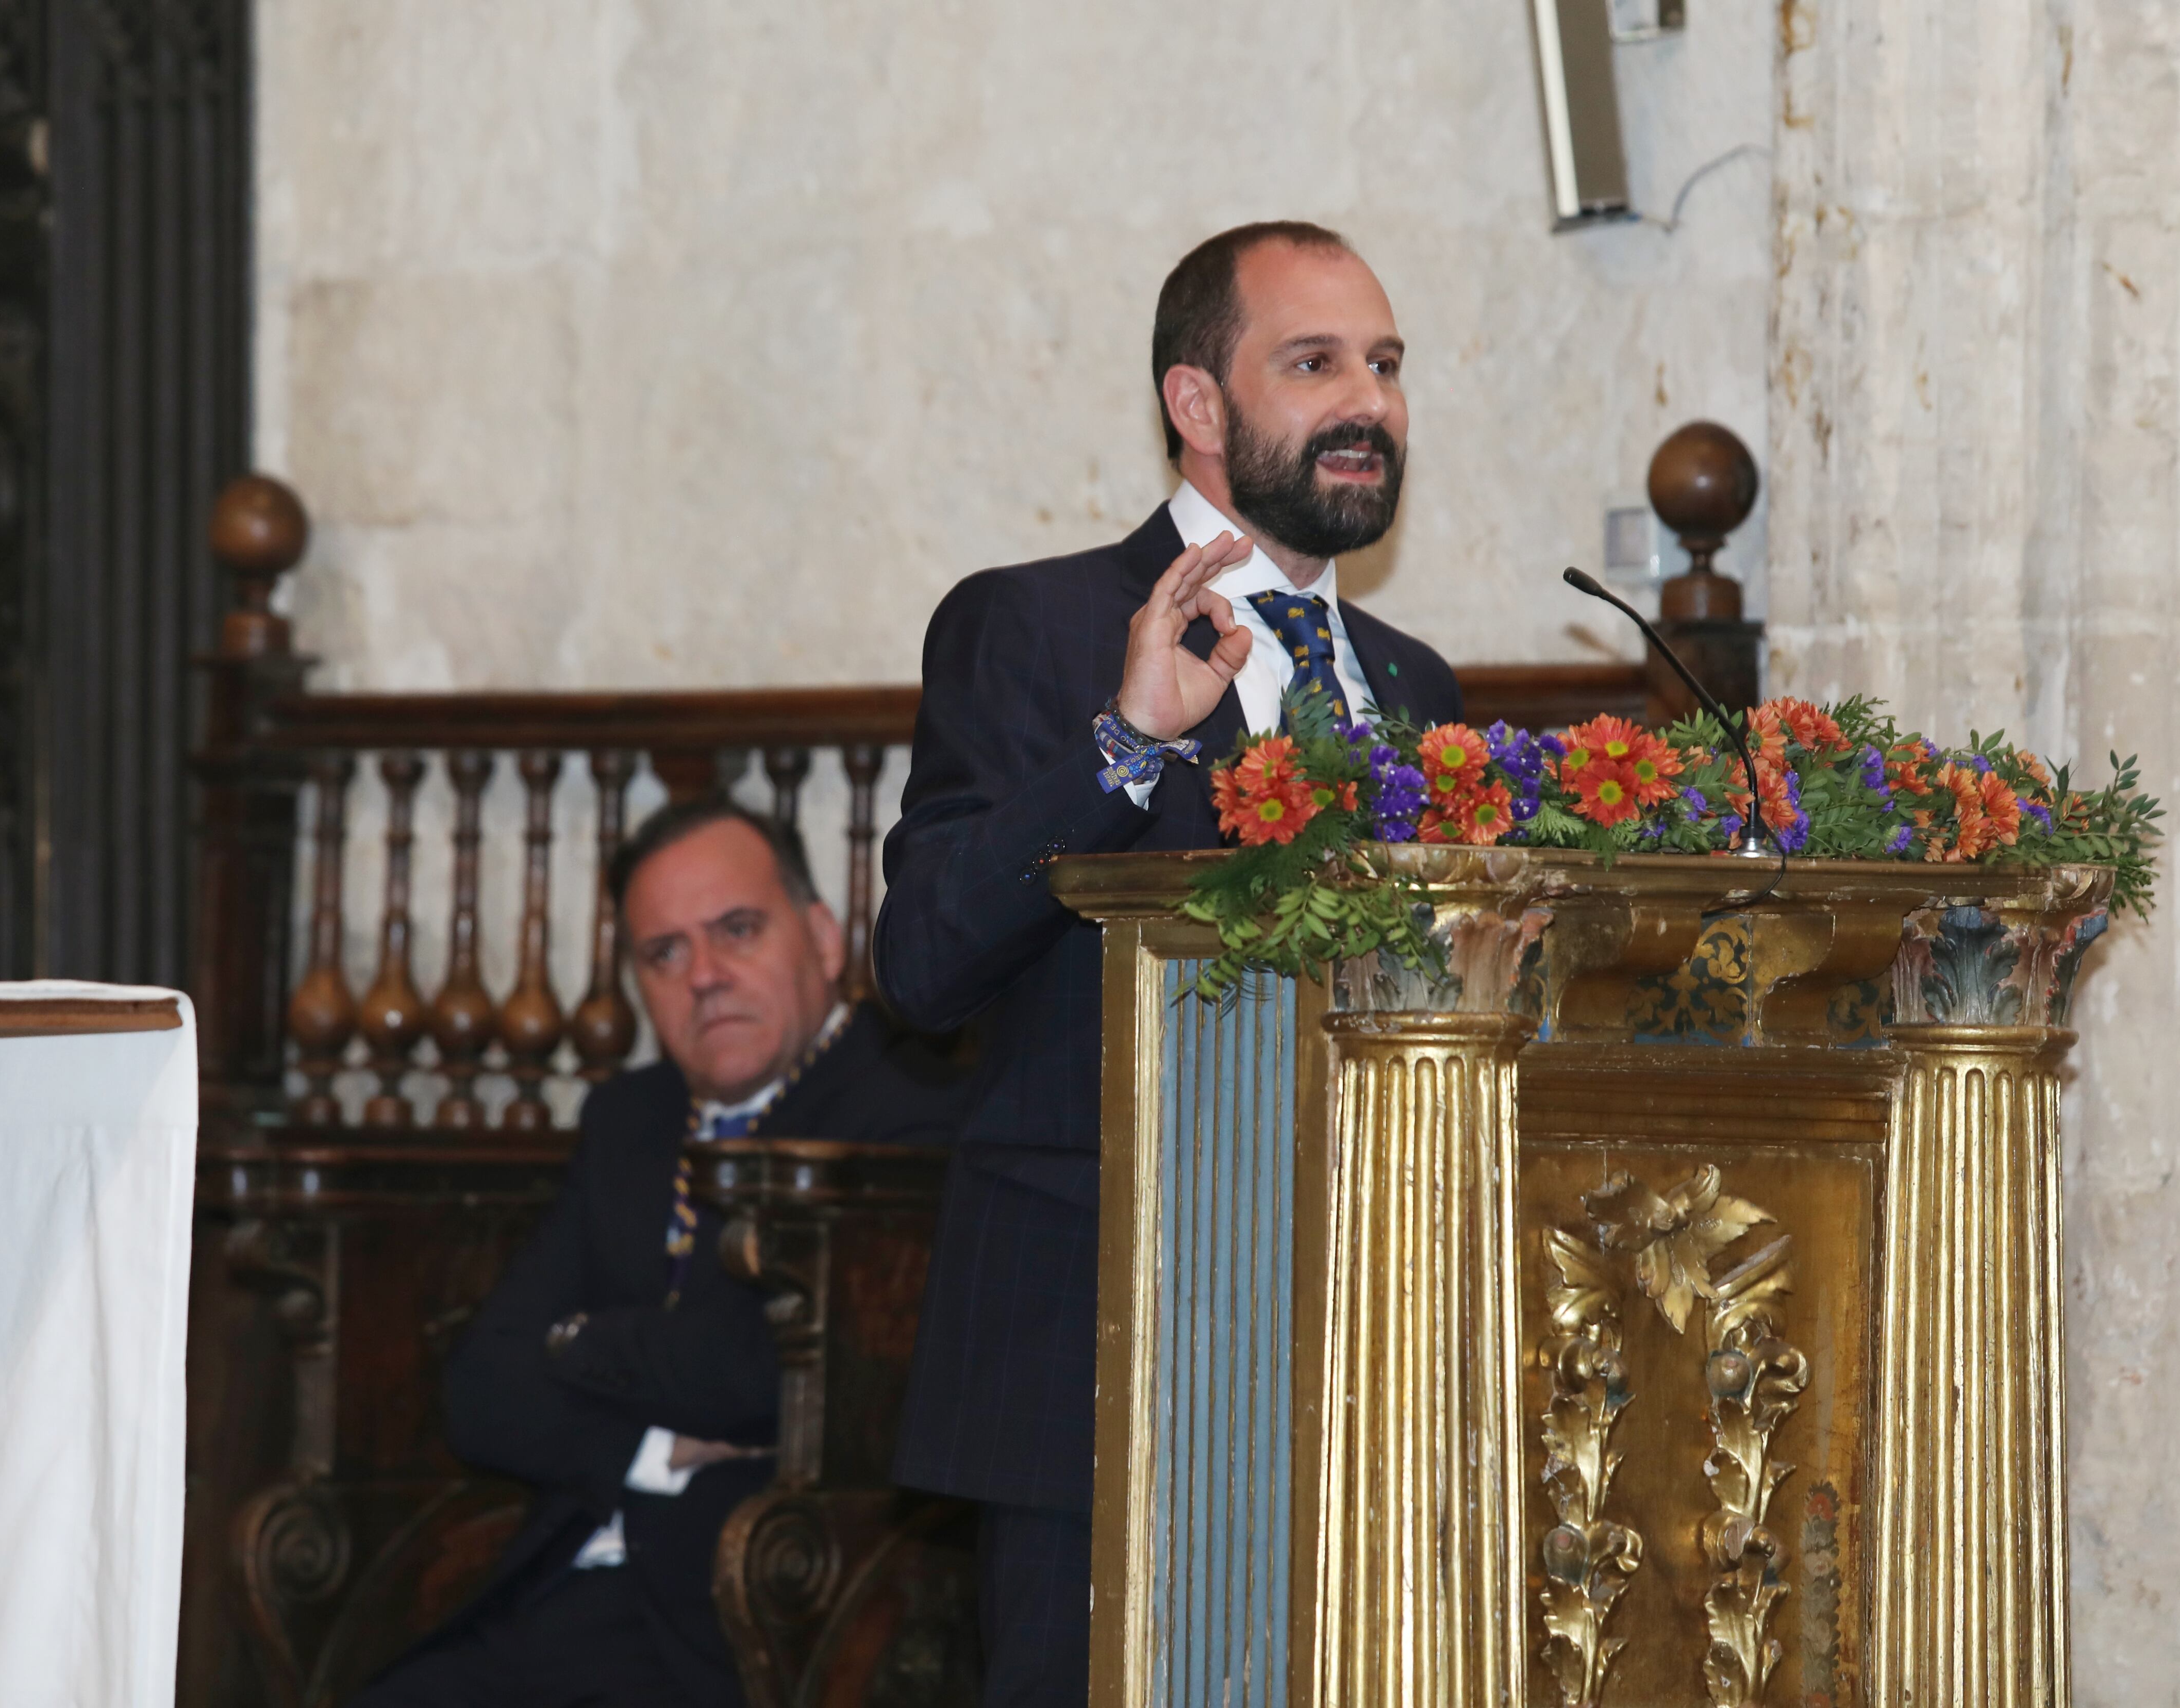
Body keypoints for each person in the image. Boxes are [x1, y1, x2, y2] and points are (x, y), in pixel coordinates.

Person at [874, 221, 1463, 1705]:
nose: (1370, 403)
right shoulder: (1039, 625)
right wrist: (1125, 745)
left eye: (1385, 366)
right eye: (1316, 362)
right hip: (1100, 1354)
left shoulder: (1416, 687)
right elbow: (923, 962)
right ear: (1197, 405)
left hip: (1359, 1354)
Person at [357, 797, 965, 1708]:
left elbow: (770, 1376)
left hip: (763, 1615)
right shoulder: (632, 1120)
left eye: (737, 929)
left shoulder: (903, 1106)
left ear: (824, 938)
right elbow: (482, 1387)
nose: (706, 976)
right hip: (564, 1583)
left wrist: (577, 1343)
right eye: (665, 952)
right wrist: (662, 1445)